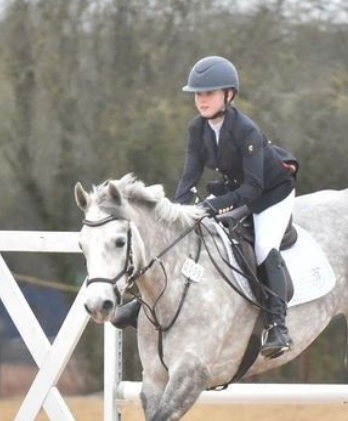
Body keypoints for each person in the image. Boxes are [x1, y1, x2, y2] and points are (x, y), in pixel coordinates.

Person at [110, 55, 296, 359]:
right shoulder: (197, 129)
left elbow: (253, 188)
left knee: (263, 248)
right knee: (184, 236)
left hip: (271, 193)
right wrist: (176, 216)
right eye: (198, 94)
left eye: (208, 93)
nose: (202, 100)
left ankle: (277, 325)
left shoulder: (246, 130)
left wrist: (212, 207)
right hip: (238, 191)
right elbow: (188, 179)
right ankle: (143, 304)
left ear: (229, 95)